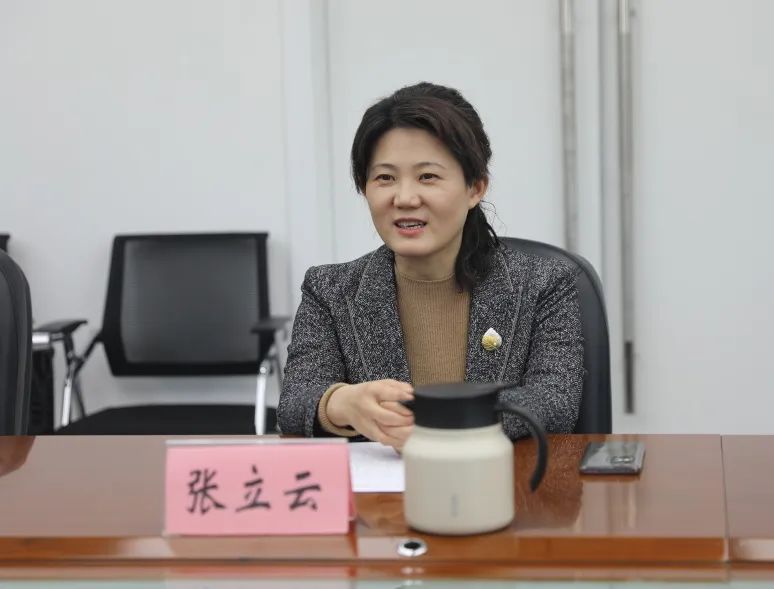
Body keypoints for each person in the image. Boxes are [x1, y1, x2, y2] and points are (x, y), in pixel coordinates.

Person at [277, 82, 584, 450]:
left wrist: (443, 424)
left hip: (501, 481)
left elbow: (554, 399)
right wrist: (341, 403)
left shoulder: (544, 283)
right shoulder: (330, 290)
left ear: (475, 188)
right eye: (385, 178)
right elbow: (295, 402)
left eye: (428, 177)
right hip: (382, 486)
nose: (405, 198)